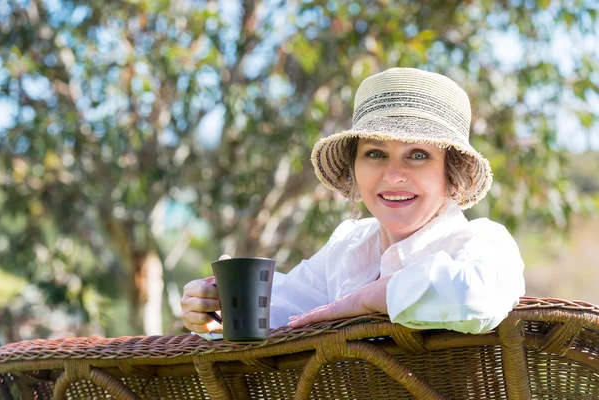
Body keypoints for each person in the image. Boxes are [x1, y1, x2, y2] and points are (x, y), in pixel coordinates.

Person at [181, 68, 525, 339]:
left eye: (417, 155)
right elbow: (284, 308)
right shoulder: (348, 247)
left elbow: (477, 297)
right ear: (355, 168)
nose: (393, 175)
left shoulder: (480, 242)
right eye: (375, 153)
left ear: (451, 175)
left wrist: (368, 299)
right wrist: (215, 304)